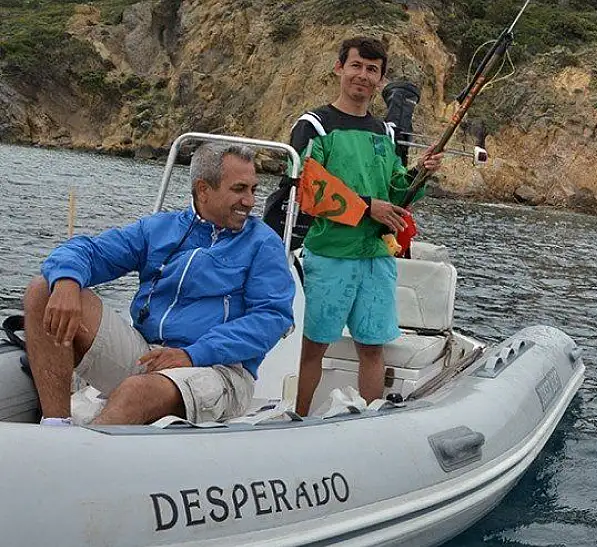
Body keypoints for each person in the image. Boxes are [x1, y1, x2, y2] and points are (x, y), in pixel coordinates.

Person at [22, 142, 295, 425]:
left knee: (135, 391)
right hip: (148, 353)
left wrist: (193, 354)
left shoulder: (263, 244)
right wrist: (67, 279)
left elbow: (271, 318)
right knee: (43, 289)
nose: (250, 201)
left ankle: (78, 462)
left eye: (253, 189)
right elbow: (90, 251)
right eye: (239, 189)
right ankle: (55, 426)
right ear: (203, 189)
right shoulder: (159, 229)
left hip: (219, 368)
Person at [263, 36, 442, 416]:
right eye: (356, 66)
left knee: (372, 347)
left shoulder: (385, 132)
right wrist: (366, 208)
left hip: (376, 257)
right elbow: (310, 188)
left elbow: (395, 188)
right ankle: (297, 418)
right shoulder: (314, 125)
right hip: (329, 255)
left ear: (381, 79)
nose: (363, 75)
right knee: (314, 346)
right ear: (339, 68)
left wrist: (419, 175)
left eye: (372, 70)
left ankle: (369, 418)